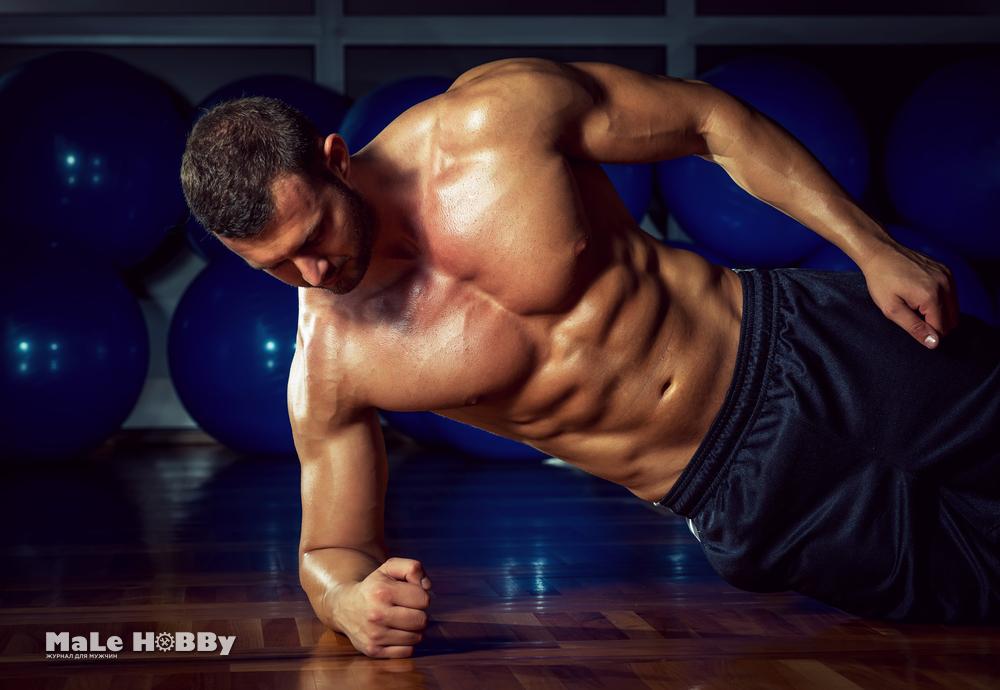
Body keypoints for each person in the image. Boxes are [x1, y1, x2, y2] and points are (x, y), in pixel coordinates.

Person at [180, 58, 999, 658]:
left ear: (335, 159)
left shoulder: (496, 118)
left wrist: (870, 247)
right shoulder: (330, 364)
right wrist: (350, 603)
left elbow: (709, 119)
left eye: (314, 235)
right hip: (742, 495)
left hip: (800, 344)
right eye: (276, 266)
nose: (314, 274)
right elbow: (328, 552)